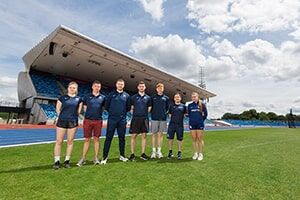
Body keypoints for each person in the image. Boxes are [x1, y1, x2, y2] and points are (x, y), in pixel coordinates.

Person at [53, 81, 83, 169]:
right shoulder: (62, 98)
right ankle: (57, 161)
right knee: (59, 141)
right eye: (71, 87)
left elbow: (78, 112)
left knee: (70, 141)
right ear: (68, 88)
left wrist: (72, 117)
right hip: (62, 121)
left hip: (72, 122)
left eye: (74, 88)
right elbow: (58, 109)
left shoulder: (79, 99)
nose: (72, 89)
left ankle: (67, 161)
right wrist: (62, 116)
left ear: (76, 89)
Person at [101, 79, 131, 164]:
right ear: (116, 84)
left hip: (122, 120)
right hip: (112, 119)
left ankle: (122, 155)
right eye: (119, 84)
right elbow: (106, 106)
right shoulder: (111, 95)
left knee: (122, 138)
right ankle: (105, 157)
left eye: (122, 84)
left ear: (123, 85)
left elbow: (128, 108)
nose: (120, 85)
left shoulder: (127, 96)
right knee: (108, 138)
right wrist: (113, 113)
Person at [77, 80, 106, 167]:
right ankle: (83, 158)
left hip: (98, 120)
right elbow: (85, 108)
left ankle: (96, 158)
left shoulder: (103, 98)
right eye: (96, 86)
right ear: (92, 87)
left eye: (99, 87)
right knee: (87, 140)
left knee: (96, 139)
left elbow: (103, 108)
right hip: (88, 120)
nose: (97, 88)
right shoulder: (86, 97)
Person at [129, 81, 152, 161]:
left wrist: (143, 114)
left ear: (145, 87)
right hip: (135, 119)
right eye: (140, 86)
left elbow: (149, 109)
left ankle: (143, 153)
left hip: (144, 119)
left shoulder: (148, 98)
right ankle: (132, 154)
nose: (141, 87)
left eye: (143, 86)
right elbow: (131, 108)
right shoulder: (133, 97)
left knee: (144, 136)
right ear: (138, 87)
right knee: (133, 136)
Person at [150, 83, 169, 159]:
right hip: (154, 118)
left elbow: (167, 108)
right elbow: (150, 108)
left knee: (160, 135)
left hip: (163, 119)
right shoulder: (153, 97)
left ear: (163, 89)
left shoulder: (166, 98)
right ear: (156, 89)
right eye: (159, 88)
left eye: (161, 88)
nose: (160, 89)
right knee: (154, 134)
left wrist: (163, 114)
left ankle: (159, 151)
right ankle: (154, 152)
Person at [187, 92, 208, 161]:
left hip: (200, 124)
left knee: (200, 139)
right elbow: (189, 115)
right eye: (192, 97)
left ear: (198, 97)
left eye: (195, 96)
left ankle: (200, 154)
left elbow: (206, 114)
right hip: (192, 124)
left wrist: (201, 120)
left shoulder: (202, 104)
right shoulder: (189, 105)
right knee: (194, 139)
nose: (193, 98)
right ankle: (195, 153)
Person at [167, 93, 186, 160]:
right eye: (176, 97)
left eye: (178, 97)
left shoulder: (183, 106)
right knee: (170, 139)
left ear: (180, 98)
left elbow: (185, 114)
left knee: (180, 139)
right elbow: (169, 115)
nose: (177, 98)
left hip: (180, 125)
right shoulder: (171, 106)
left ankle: (179, 153)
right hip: (172, 125)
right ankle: (170, 152)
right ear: (174, 98)